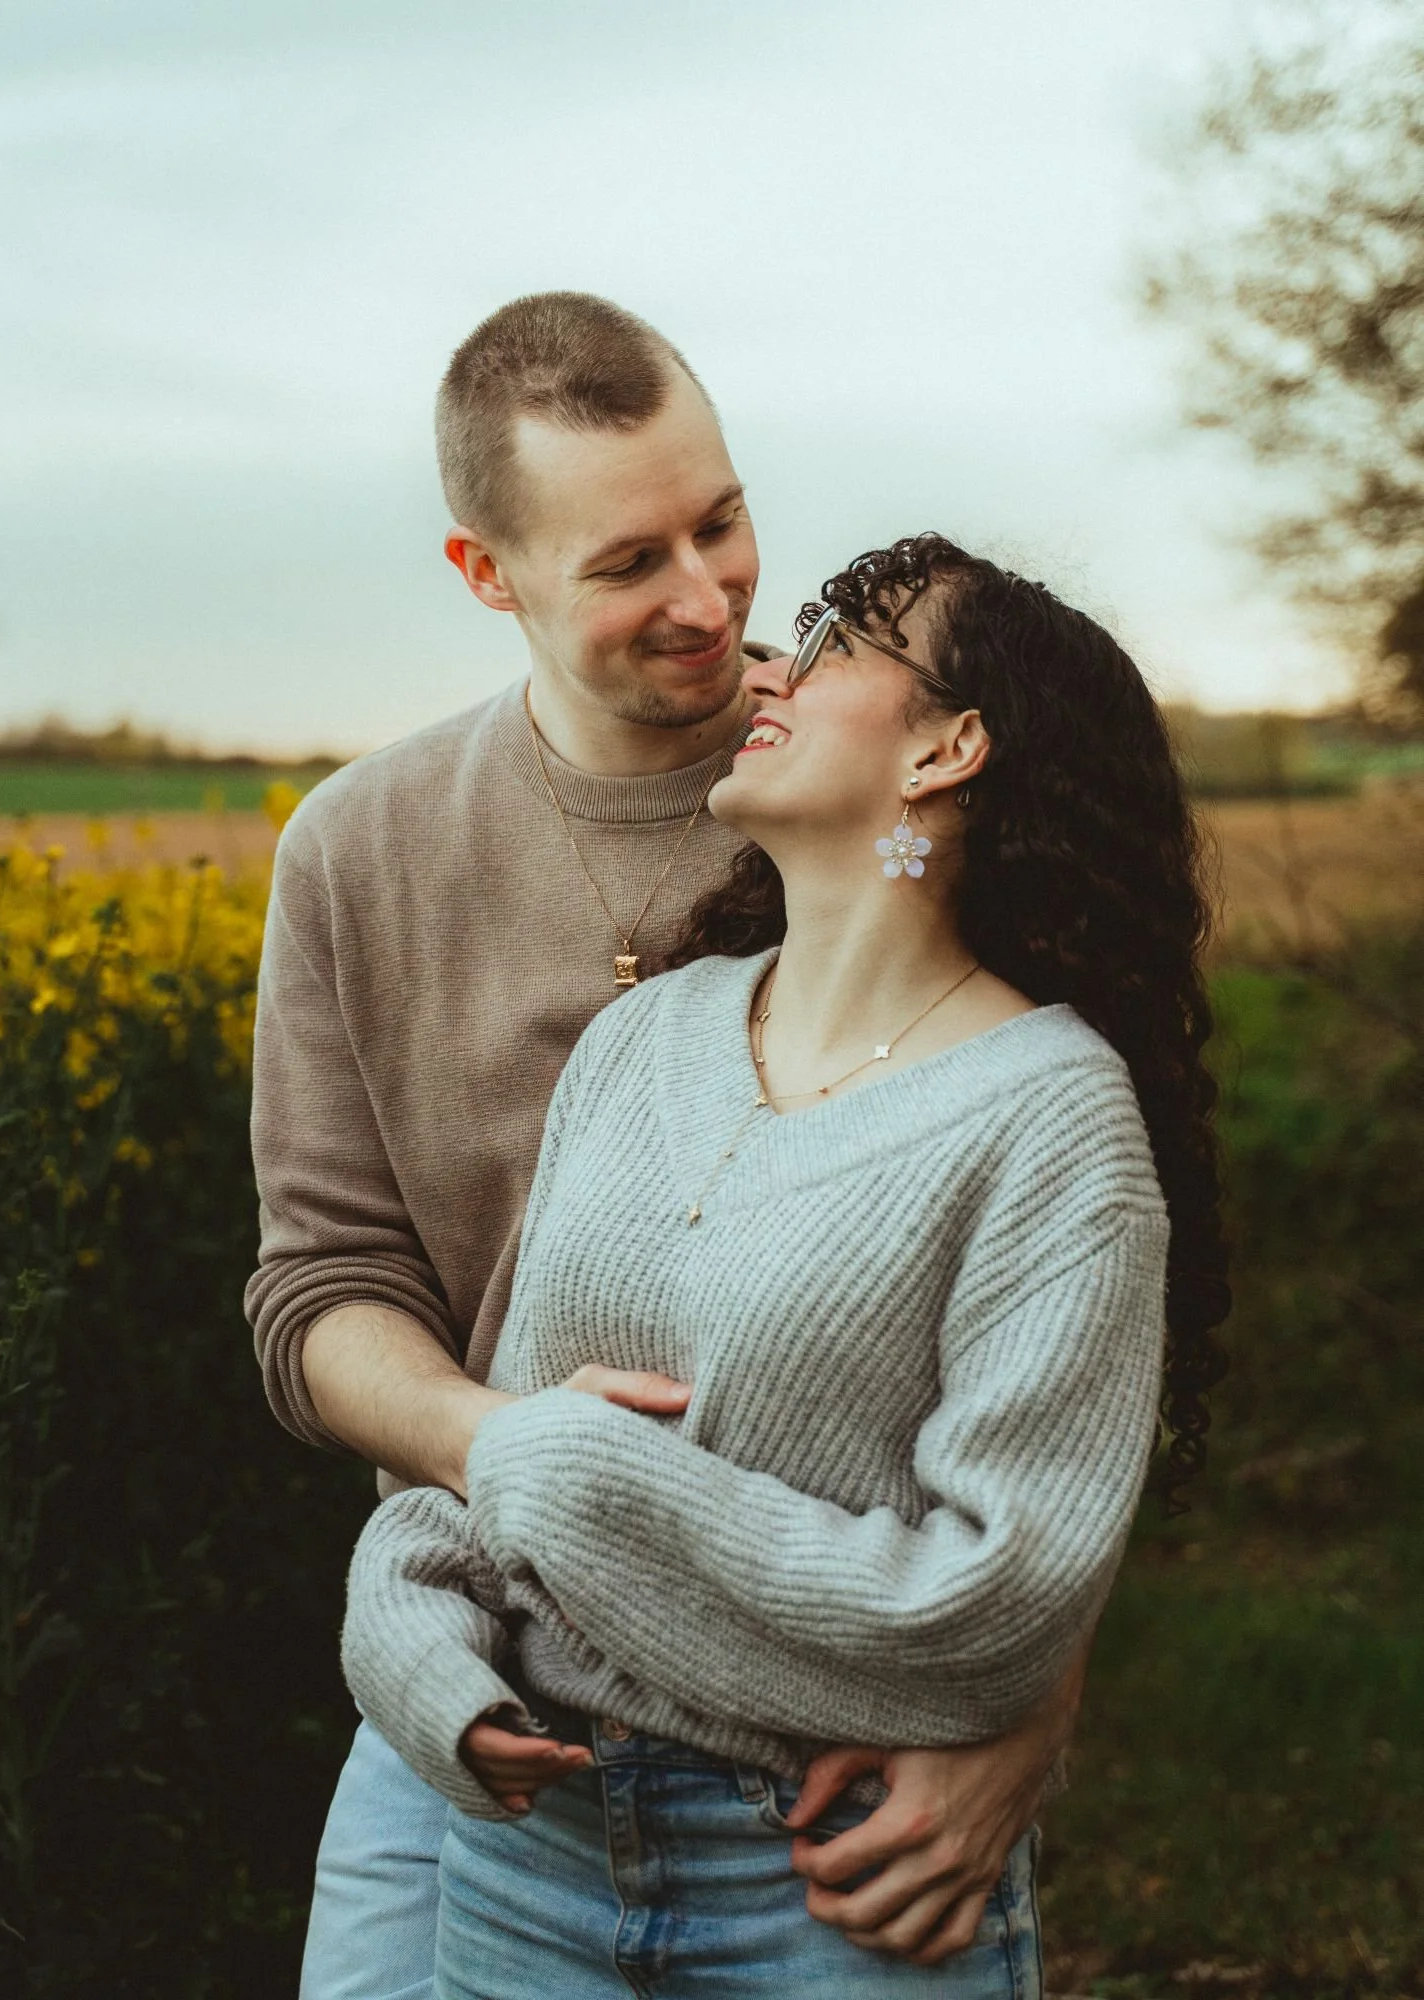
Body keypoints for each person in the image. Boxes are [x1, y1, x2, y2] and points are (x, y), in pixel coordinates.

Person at [246, 298, 1093, 1998]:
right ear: (488, 574)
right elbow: (320, 1288)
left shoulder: (880, 790)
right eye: (630, 562)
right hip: (478, 1666)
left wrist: (1026, 1703)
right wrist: (509, 1449)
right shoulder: (358, 849)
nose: (710, 602)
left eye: (721, 522)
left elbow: (1067, 1276)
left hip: (818, 1715)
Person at [340, 533, 1231, 1997]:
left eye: (833, 651)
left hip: (830, 1887)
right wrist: (421, 1646)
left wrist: (561, 1471)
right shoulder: (643, 1037)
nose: (769, 674)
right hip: (526, 1857)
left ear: (948, 747)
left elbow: (1000, 1607)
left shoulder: (1051, 1115)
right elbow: (487, 1456)